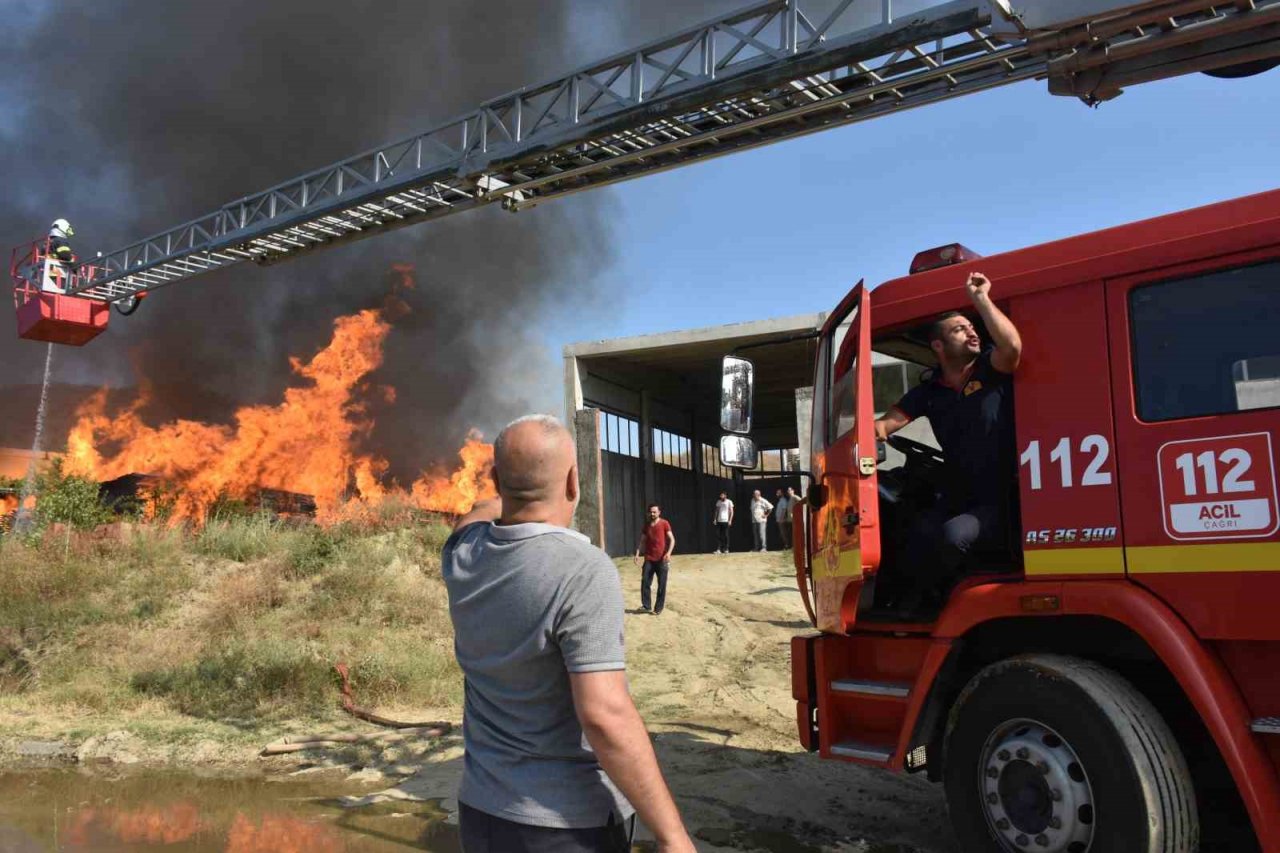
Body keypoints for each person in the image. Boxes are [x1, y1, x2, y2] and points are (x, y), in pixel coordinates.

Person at [442, 415, 694, 853]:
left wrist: (505, 489)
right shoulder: (582, 569)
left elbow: (476, 513)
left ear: (497, 481)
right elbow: (604, 715)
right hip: (565, 827)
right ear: (574, 482)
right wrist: (673, 837)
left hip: (481, 814)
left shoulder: (464, 554)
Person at [874, 272, 1022, 604]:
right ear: (938, 346)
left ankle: (957, 602)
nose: (971, 331)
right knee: (911, 529)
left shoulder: (990, 369)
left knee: (953, 537)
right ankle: (914, 604)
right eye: (960, 329)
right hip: (959, 494)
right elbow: (884, 427)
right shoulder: (929, 392)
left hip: (1004, 498)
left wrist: (982, 300)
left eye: (971, 327)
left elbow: (1012, 348)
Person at [634, 504, 674, 614]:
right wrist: (637, 553)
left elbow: (672, 540)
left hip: (662, 559)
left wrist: (669, 553)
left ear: (659, 512)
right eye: (651, 512)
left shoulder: (664, 523)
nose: (652, 514)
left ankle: (658, 609)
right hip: (649, 559)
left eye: (654, 512)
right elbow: (642, 541)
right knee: (645, 582)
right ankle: (646, 606)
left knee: (662, 585)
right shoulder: (646, 526)